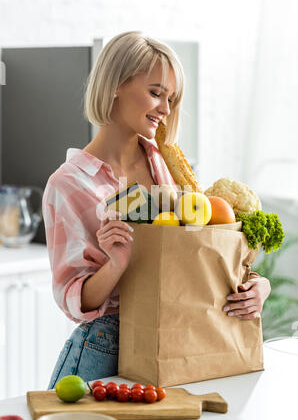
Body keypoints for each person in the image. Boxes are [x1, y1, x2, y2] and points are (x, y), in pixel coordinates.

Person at [42, 31, 271, 389]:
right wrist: (116, 263)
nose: (165, 109)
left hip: (176, 334)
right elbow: (75, 300)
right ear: (116, 84)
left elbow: (197, 254)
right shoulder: (68, 184)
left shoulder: (167, 167)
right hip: (106, 347)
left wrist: (257, 286)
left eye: (171, 98)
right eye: (155, 92)